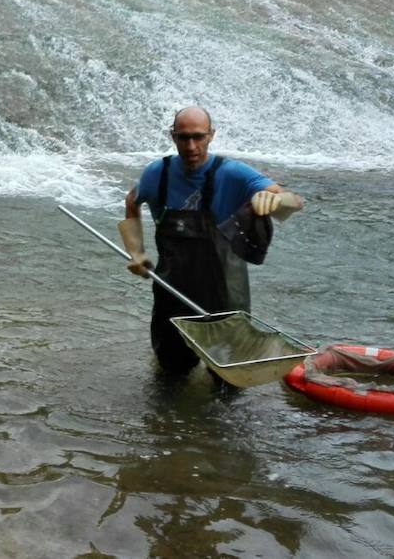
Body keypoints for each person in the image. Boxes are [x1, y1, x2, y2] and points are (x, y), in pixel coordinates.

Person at [119, 106, 303, 376]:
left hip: (226, 296)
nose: (191, 145)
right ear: (172, 136)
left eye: (198, 136)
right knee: (169, 379)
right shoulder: (157, 173)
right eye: (183, 137)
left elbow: (294, 203)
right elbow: (131, 201)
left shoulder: (232, 173)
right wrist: (136, 252)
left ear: (211, 135)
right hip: (172, 294)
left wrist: (276, 200)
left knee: (228, 386)